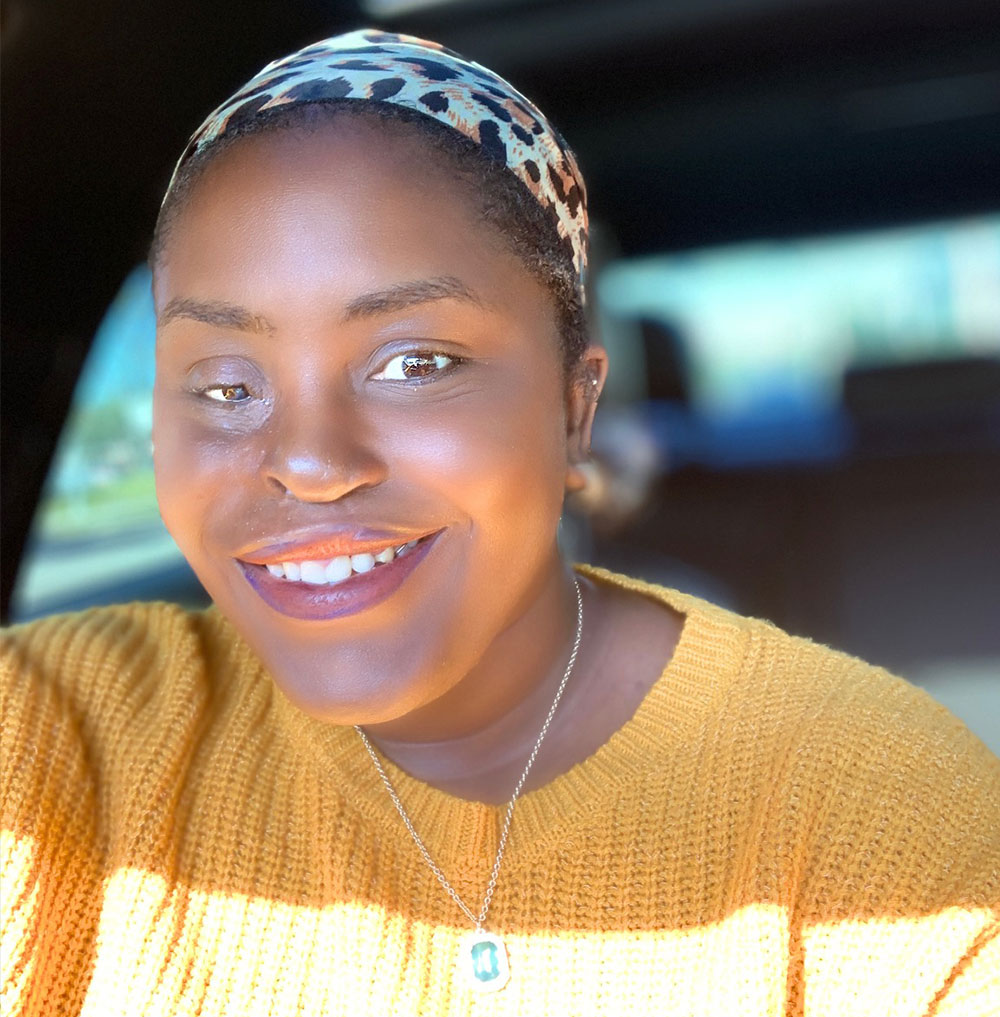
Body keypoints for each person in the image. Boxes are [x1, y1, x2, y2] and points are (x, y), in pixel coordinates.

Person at [2, 29, 997, 1017]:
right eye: (223, 384)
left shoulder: (874, 801)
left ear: (574, 410)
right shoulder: (64, 737)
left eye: (416, 363)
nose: (306, 462)